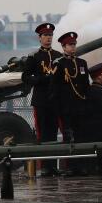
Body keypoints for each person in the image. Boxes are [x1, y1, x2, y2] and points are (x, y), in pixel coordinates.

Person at [22, 21, 63, 167]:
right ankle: (44, 167)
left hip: (55, 101)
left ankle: (53, 166)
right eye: (45, 35)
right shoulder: (34, 56)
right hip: (41, 100)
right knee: (42, 135)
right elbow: (26, 77)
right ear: (40, 38)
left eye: (50, 35)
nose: (48, 38)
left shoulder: (58, 56)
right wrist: (42, 79)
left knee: (53, 134)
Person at [51, 31, 90, 146]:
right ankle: (69, 164)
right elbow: (54, 87)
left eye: (74, 44)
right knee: (69, 139)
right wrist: (58, 108)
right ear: (64, 47)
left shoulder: (82, 63)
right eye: (70, 45)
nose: (73, 47)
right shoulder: (59, 64)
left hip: (80, 107)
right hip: (66, 108)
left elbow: (86, 85)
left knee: (82, 137)